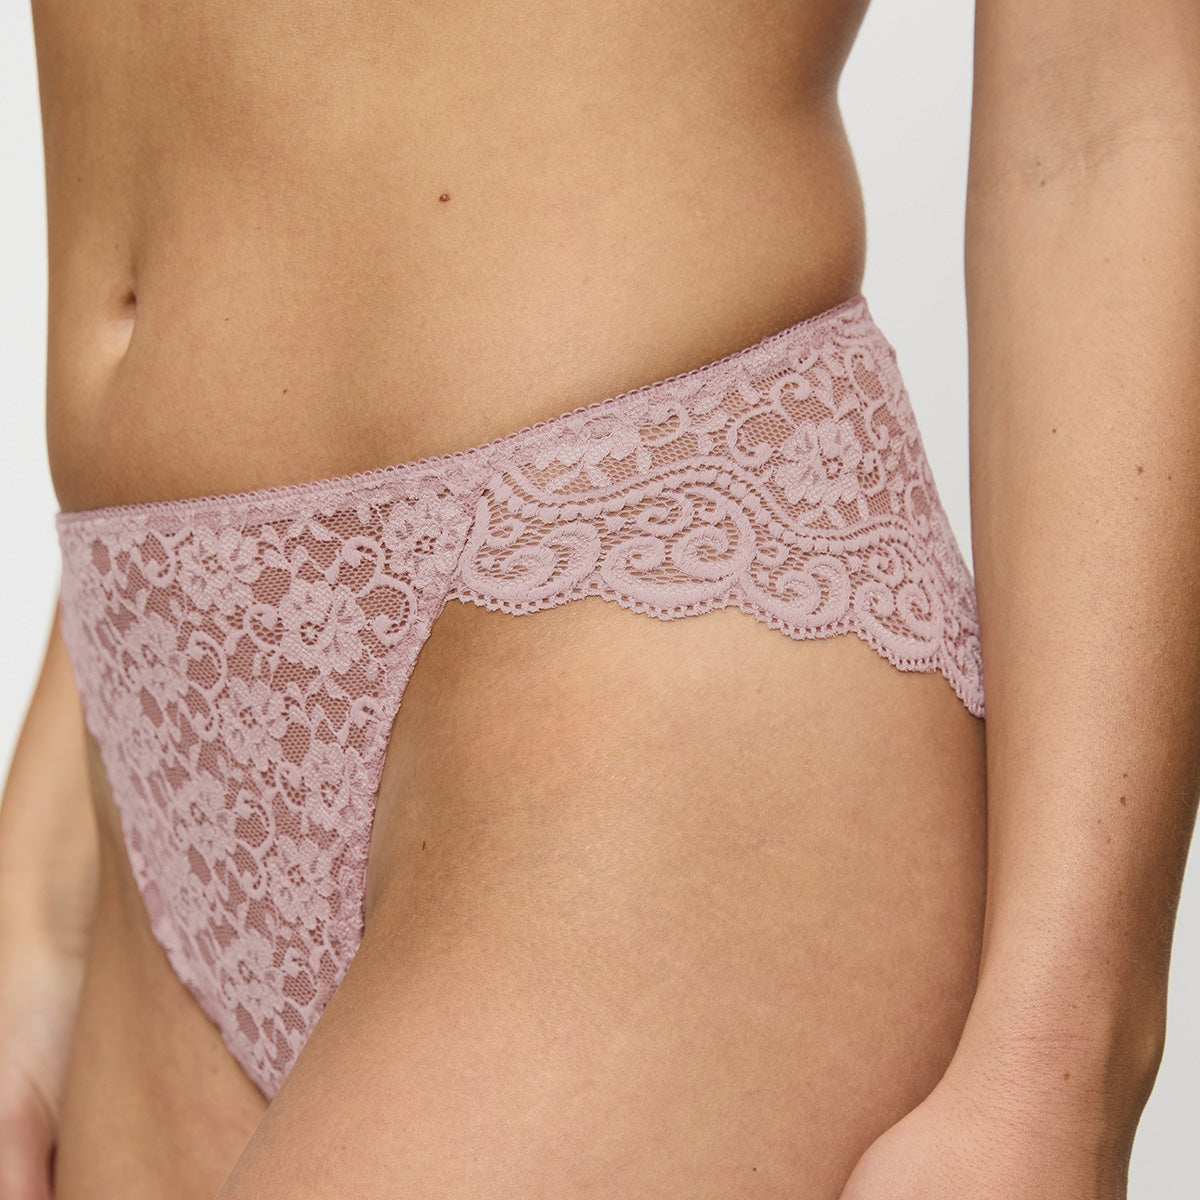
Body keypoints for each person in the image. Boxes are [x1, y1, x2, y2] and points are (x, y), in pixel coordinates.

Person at [1, 0, 1197, 1197]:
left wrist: (1062, 1072)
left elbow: (1107, 117)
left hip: (631, 628)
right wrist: (42, 874)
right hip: (144, 730)